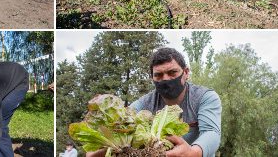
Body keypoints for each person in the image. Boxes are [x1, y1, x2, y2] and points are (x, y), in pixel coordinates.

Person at [87, 48, 221, 157]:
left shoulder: (205, 97)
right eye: (158, 75)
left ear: (185, 72)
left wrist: (193, 153)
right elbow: (123, 120)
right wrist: (105, 146)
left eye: (172, 72)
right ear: (152, 77)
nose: (165, 79)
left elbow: (211, 133)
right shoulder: (144, 104)